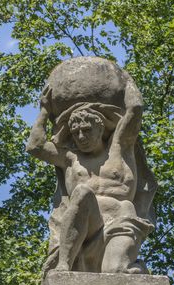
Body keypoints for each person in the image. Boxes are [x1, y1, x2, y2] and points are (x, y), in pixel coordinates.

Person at [26, 77, 156, 274]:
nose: (81, 137)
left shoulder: (120, 147)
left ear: (101, 127)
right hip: (85, 227)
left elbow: (135, 110)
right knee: (82, 192)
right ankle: (64, 265)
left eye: (86, 130)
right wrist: (44, 110)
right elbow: (35, 147)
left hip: (120, 220)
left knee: (117, 274)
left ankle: (129, 266)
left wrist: (126, 81)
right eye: (76, 132)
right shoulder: (70, 158)